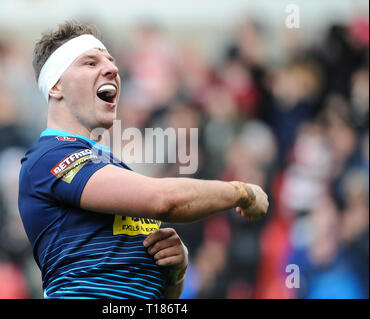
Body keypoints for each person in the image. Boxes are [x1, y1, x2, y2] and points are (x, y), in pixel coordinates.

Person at [18, 21, 269, 299]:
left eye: (111, 62)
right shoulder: (48, 157)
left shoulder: (113, 167)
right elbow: (163, 200)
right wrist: (241, 192)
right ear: (55, 86)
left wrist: (176, 272)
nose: (112, 69)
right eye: (90, 63)